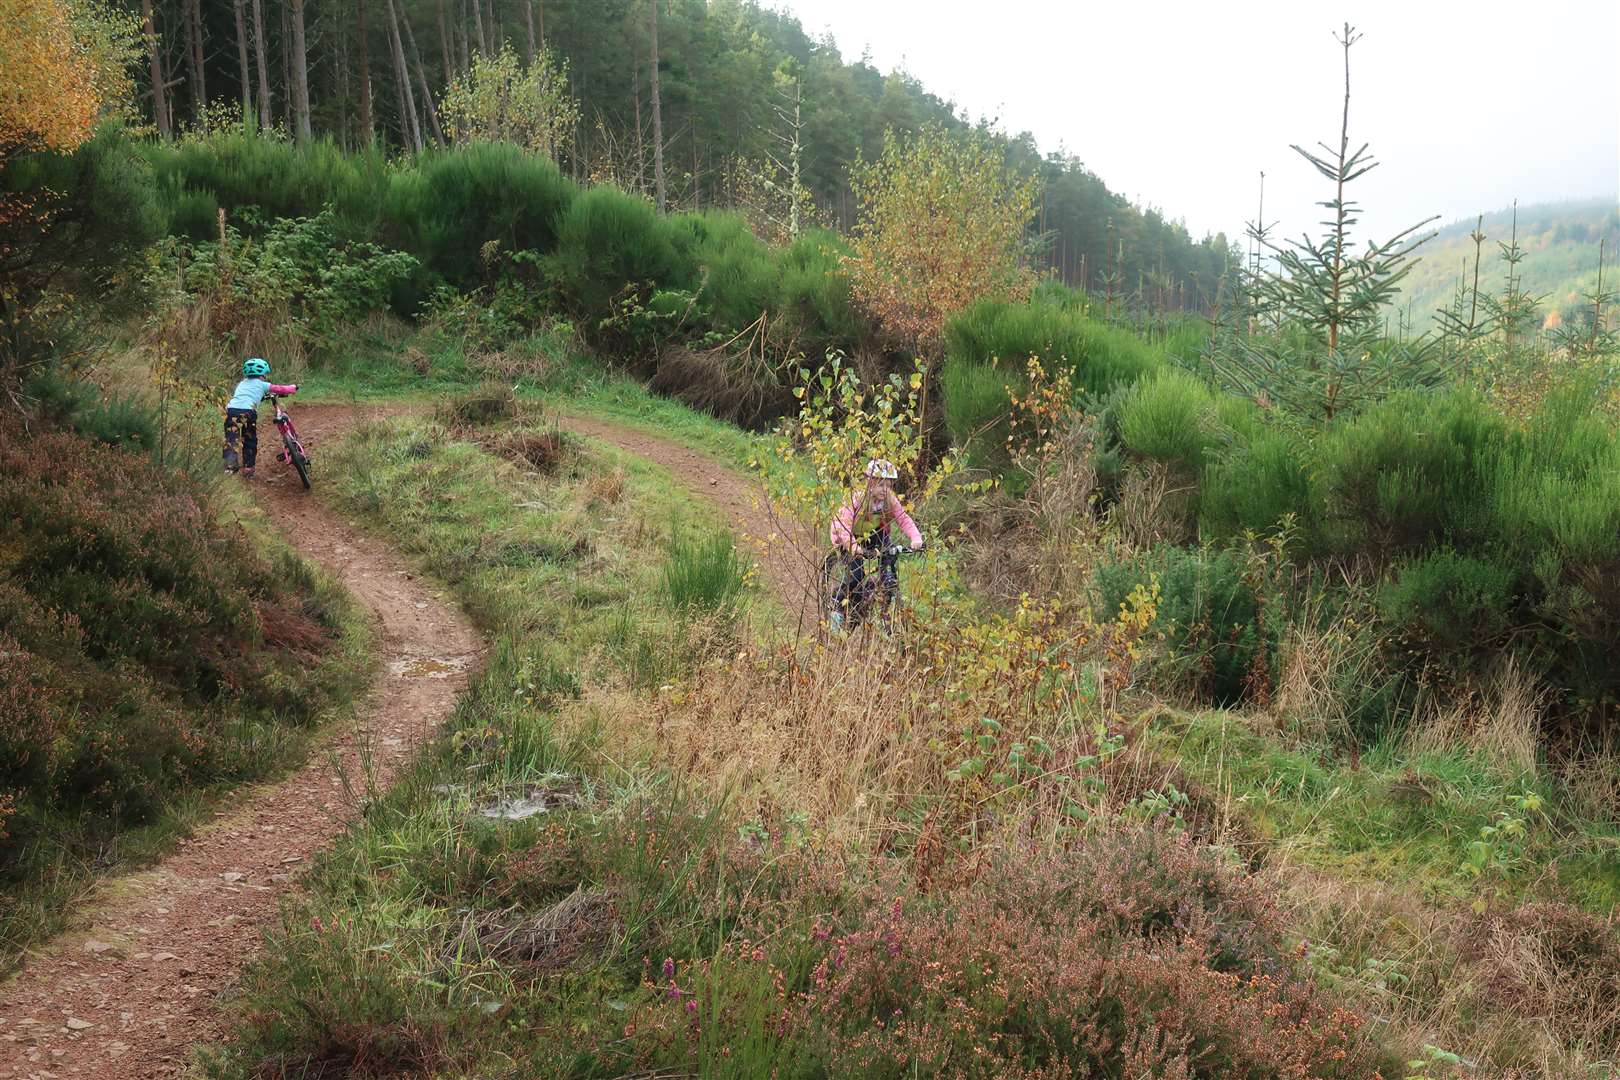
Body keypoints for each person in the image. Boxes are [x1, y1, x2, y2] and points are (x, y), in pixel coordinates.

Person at [827, 458, 924, 630]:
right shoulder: (857, 498)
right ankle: (837, 606)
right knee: (856, 574)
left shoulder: (890, 500)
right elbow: (844, 524)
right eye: (880, 485)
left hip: (874, 536)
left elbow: (903, 519)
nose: (885, 490)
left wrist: (915, 538)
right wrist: (854, 547)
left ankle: (875, 607)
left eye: (888, 485)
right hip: (848, 536)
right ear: (870, 483)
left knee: (888, 575)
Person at [224, 358, 297, 477]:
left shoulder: (241, 384)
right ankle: (248, 467)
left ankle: (230, 467)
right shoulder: (262, 384)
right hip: (248, 412)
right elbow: (280, 389)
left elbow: (245, 395)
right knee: (249, 439)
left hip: (232, 411)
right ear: (262, 374)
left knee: (231, 439)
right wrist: (293, 388)